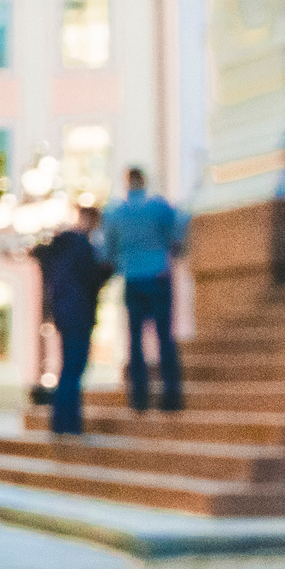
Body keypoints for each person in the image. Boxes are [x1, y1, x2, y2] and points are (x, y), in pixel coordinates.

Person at [98, 166, 189, 413]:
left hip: (133, 278)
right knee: (164, 338)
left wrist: (118, 264)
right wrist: (174, 249)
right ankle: (171, 397)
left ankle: (139, 398)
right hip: (159, 275)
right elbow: (181, 225)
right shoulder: (158, 207)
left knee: (135, 342)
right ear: (144, 182)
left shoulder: (116, 212)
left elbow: (107, 248)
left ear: (127, 183)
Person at [29, 202, 109, 435]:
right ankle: (68, 422)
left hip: (64, 313)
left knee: (70, 368)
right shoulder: (79, 246)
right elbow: (90, 279)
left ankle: (63, 421)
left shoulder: (61, 246)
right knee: (74, 368)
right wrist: (106, 271)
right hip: (78, 313)